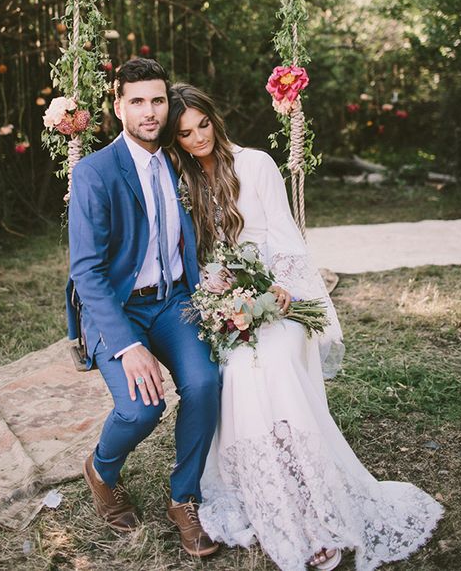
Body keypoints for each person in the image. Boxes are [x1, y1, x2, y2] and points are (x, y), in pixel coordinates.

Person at [165, 83, 444, 571]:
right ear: (176, 139)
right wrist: (221, 297)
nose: (198, 138)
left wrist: (283, 293)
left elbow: (285, 236)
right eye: (185, 133)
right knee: (238, 372)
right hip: (228, 303)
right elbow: (201, 258)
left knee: (273, 360)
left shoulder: (255, 164)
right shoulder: (182, 181)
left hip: (282, 295)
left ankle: (314, 503)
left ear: (215, 119)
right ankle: (273, 493)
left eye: (203, 125)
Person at [66, 59, 220, 558]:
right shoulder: (94, 172)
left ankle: (184, 498)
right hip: (119, 308)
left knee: (204, 383)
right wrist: (128, 344)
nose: (150, 112)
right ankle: (102, 470)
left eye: (158, 100)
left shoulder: (178, 160)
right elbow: (85, 272)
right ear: (118, 107)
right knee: (142, 408)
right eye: (137, 101)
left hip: (174, 300)